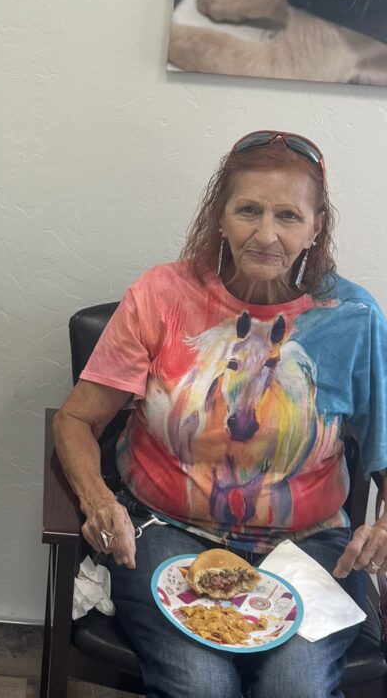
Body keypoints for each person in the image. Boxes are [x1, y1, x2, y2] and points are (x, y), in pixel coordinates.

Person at [54, 131, 387, 698]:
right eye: (248, 211)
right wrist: (98, 499)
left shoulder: (353, 318)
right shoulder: (160, 295)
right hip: (166, 534)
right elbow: (76, 420)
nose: (265, 234)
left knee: (296, 688)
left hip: (308, 547)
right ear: (221, 218)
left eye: (288, 216)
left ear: (316, 227)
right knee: (200, 685)